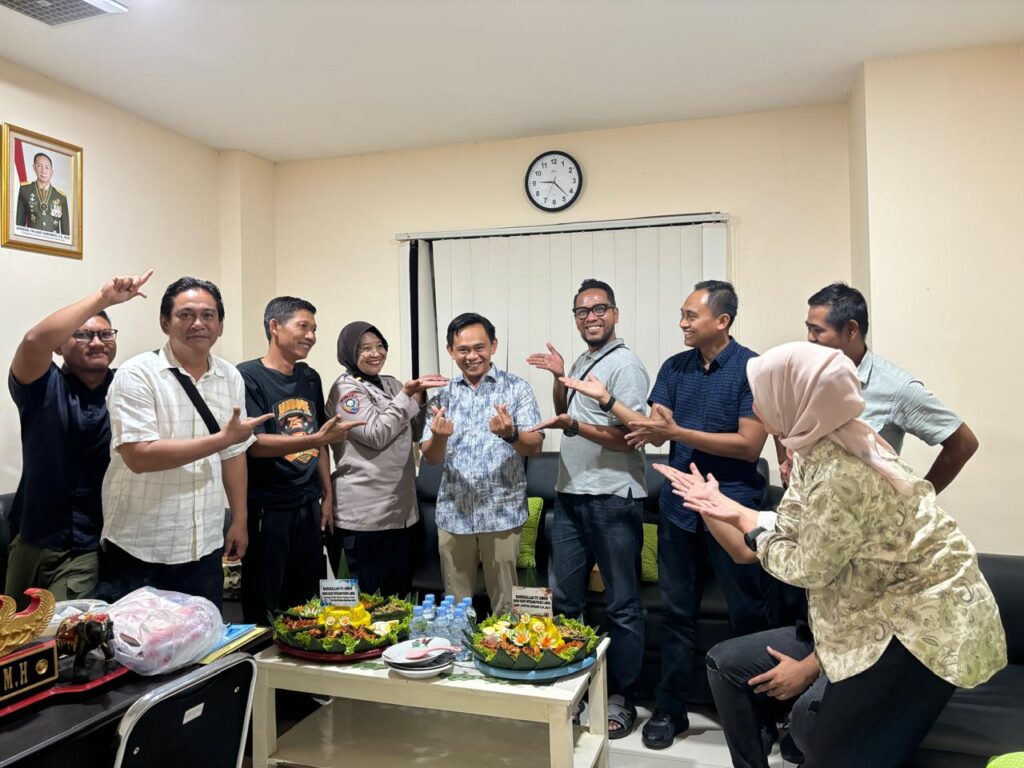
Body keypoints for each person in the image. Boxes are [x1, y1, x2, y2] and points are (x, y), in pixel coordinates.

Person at [658, 342, 1006, 768]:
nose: (756, 407)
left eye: (762, 395)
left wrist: (752, 531)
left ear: (796, 398)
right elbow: (795, 523)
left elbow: (808, 566)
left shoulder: (841, 467)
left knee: (843, 752)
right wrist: (726, 507)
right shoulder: (824, 443)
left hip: (921, 628)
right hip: (883, 617)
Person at [561, 280, 772, 749]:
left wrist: (679, 432)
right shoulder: (674, 367)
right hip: (679, 511)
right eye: (682, 314)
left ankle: (756, 715)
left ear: (722, 320)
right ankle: (670, 709)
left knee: (747, 618)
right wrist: (607, 402)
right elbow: (655, 431)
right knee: (676, 615)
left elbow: (749, 445)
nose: (682, 324)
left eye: (691, 316)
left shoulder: (752, 369)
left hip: (732, 510)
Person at [526, 278, 650, 740]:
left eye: (599, 309)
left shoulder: (625, 366)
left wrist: (575, 426)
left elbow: (631, 437)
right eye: (582, 311)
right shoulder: (584, 361)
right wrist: (560, 378)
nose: (591, 317)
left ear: (615, 314)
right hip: (571, 494)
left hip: (613, 497)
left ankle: (621, 697)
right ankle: (572, 686)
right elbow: (566, 411)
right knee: (566, 600)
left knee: (622, 606)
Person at [97, 277, 271, 607]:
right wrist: (221, 439)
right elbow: (139, 456)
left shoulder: (230, 376)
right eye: (186, 315)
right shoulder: (137, 373)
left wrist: (240, 519)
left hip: (203, 545)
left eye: (208, 315)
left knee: (202, 637)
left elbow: (233, 453)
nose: (198, 324)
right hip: (140, 547)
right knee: (136, 639)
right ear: (165, 322)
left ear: (220, 325)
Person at [5, 271, 152, 608]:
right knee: (12, 634)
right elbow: (33, 341)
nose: (97, 342)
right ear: (60, 346)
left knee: (60, 633)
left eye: (105, 334)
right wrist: (103, 298)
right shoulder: (42, 385)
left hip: (86, 546)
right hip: (31, 538)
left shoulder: (129, 390)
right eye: (83, 334)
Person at [778, 282, 978, 493]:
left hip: (863, 512)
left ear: (851, 330)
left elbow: (963, 443)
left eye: (818, 330)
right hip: (809, 506)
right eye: (808, 328)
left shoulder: (896, 388)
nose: (810, 338)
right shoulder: (807, 376)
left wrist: (916, 501)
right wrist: (788, 464)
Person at [237, 297, 360, 623]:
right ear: (275, 326)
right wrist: (317, 439)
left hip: (308, 504)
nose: (311, 336)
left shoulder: (309, 376)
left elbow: (320, 438)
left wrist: (327, 495)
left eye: (314, 329)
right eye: (303, 326)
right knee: (266, 603)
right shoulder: (247, 376)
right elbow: (255, 443)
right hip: (269, 508)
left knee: (306, 603)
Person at [420, 312, 543, 615]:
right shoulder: (442, 396)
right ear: (451, 351)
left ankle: (503, 647)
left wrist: (509, 433)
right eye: (463, 350)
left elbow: (535, 446)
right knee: (456, 609)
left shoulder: (517, 388)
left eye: (479, 348)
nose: (472, 356)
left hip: (502, 514)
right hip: (454, 515)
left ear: (493, 346)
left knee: (506, 609)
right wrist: (439, 438)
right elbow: (431, 457)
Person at [326, 321, 447, 597]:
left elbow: (414, 432)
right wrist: (406, 396)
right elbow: (376, 434)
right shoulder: (346, 391)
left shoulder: (392, 383)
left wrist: (421, 399)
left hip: (401, 512)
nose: (375, 353)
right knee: (365, 602)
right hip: (363, 516)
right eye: (365, 348)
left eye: (380, 346)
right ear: (349, 352)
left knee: (399, 599)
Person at [16, 152, 70, 235]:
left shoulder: (61, 197)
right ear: (34, 167)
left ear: (52, 172)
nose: (43, 171)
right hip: (32, 239)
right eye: (39, 166)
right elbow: (19, 225)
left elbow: (66, 233)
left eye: (47, 167)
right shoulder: (25, 190)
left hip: (53, 241)